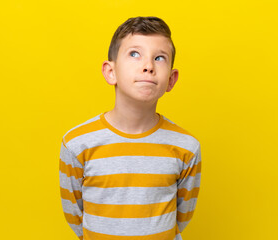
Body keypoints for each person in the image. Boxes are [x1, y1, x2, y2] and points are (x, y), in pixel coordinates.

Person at [59, 16, 202, 240]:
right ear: (110, 72)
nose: (148, 66)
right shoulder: (77, 143)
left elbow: (182, 216)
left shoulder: (186, 147)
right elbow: (75, 214)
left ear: (171, 80)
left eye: (160, 58)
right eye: (134, 54)